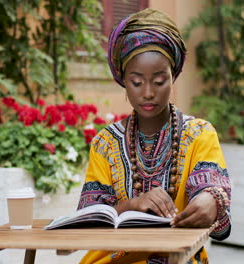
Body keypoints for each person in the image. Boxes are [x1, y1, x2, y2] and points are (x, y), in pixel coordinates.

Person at [77, 8, 231, 264]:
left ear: (173, 77)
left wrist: (211, 201)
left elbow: (211, 187)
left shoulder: (199, 134)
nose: (148, 93)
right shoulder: (105, 143)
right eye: (137, 82)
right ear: (123, 80)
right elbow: (88, 220)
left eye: (159, 81)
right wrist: (132, 205)